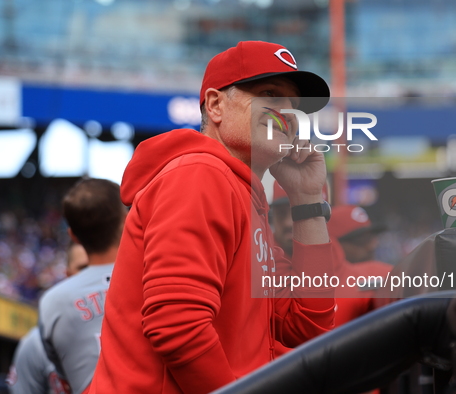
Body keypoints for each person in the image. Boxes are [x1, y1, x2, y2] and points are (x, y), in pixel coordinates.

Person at [88, 41, 335, 394]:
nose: (287, 114)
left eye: (294, 106)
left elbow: (307, 325)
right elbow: (177, 327)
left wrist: (308, 200)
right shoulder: (200, 175)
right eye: (270, 94)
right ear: (216, 105)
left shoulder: (243, 195)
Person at [38, 178, 127, 394]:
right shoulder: (152, 277)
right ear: (126, 222)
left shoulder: (52, 302)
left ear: (73, 235)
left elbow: (63, 379)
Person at [6, 243, 89, 394]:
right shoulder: (35, 344)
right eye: (83, 268)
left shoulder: (128, 330)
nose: (91, 276)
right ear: (68, 274)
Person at [327, 205, 392, 326]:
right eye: (361, 241)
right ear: (334, 244)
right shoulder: (319, 288)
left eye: (372, 238)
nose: (372, 246)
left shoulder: (385, 273)